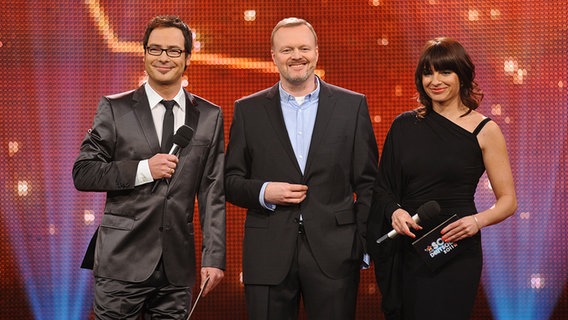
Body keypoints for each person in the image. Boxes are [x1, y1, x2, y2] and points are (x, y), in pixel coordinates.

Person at [224, 17, 379, 320]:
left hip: (336, 255)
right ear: (273, 56)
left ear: (316, 52)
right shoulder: (248, 110)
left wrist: (359, 243)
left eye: (303, 48)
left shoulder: (352, 106)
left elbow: (369, 183)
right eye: (287, 49)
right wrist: (266, 191)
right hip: (267, 254)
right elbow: (230, 180)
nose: (296, 56)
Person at [72, 15, 225, 319]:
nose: (163, 58)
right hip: (120, 263)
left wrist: (215, 256)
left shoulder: (210, 115)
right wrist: (143, 169)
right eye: (155, 49)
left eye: (173, 50)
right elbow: (83, 172)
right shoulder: (115, 108)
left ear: (187, 58)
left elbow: (212, 191)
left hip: (177, 269)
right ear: (144, 54)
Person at [367, 37, 518, 320]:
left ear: (462, 75)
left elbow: (508, 201)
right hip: (408, 247)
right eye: (427, 72)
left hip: (455, 247)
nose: (435, 80)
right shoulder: (403, 125)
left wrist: (476, 222)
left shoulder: (485, 130)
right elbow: (382, 188)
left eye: (444, 71)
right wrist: (395, 211)